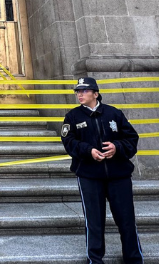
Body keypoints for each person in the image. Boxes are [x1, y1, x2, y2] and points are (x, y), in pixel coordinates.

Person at [61, 77, 143, 264]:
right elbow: (69, 142)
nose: (80, 94)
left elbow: (132, 139)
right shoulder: (72, 117)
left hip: (119, 175)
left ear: (95, 93)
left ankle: (134, 258)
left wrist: (117, 147)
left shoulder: (114, 113)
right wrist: (88, 151)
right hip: (89, 176)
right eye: (78, 91)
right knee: (94, 221)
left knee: (126, 220)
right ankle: (95, 259)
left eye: (84, 91)